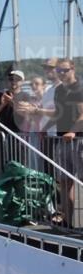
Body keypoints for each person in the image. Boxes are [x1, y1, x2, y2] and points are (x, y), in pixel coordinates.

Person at [52, 59, 83, 227]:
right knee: (64, 182)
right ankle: (67, 221)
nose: (61, 74)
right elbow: (58, 113)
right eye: (59, 71)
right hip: (62, 139)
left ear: (73, 69)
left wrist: (73, 131)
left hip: (78, 140)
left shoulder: (79, 88)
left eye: (64, 70)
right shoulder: (59, 90)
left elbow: (82, 114)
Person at [0, 69, 28, 174]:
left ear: (22, 82)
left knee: (19, 165)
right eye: (11, 79)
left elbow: (24, 114)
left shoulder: (26, 96)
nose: (13, 82)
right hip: (3, 135)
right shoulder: (1, 95)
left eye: (17, 79)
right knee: (1, 165)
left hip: (19, 136)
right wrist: (3, 104)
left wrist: (11, 102)